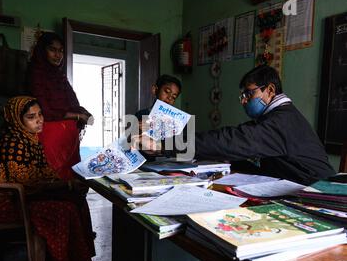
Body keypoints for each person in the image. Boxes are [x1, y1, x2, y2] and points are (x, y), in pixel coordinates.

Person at [135, 65, 336, 185]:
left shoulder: (282, 121)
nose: (243, 101)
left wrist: (162, 145)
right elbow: (231, 141)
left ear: (270, 90)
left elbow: (231, 140)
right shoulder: (278, 118)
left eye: (249, 94)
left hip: (314, 194)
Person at [0, 96, 95, 261]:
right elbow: (27, 181)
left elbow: (44, 172)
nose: (39, 120)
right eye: (31, 117)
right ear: (16, 119)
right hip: (2, 202)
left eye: (40, 114)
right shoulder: (12, 143)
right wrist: (65, 185)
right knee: (62, 210)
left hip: (21, 196)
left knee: (75, 199)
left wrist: (68, 184)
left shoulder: (31, 139)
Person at [27, 31, 93, 180]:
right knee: (55, 180)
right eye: (52, 50)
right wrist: (77, 116)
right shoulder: (36, 74)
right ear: (43, 51)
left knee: (72, 180)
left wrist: (84, 113)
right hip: (49, 135)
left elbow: (72, 102)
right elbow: (45, 111)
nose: (58, 55)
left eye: (61, 51)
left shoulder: (59, 75)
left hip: (68, 136)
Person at [134, 74, 182, 160]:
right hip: (147, 163)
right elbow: (133, 144)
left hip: (169, 163)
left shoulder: (177, 120)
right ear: (155, 90)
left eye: (174, 97)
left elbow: (180, 146)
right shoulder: (141, 115)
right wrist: (138, 129)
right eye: (167, 92)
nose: (169, 98)